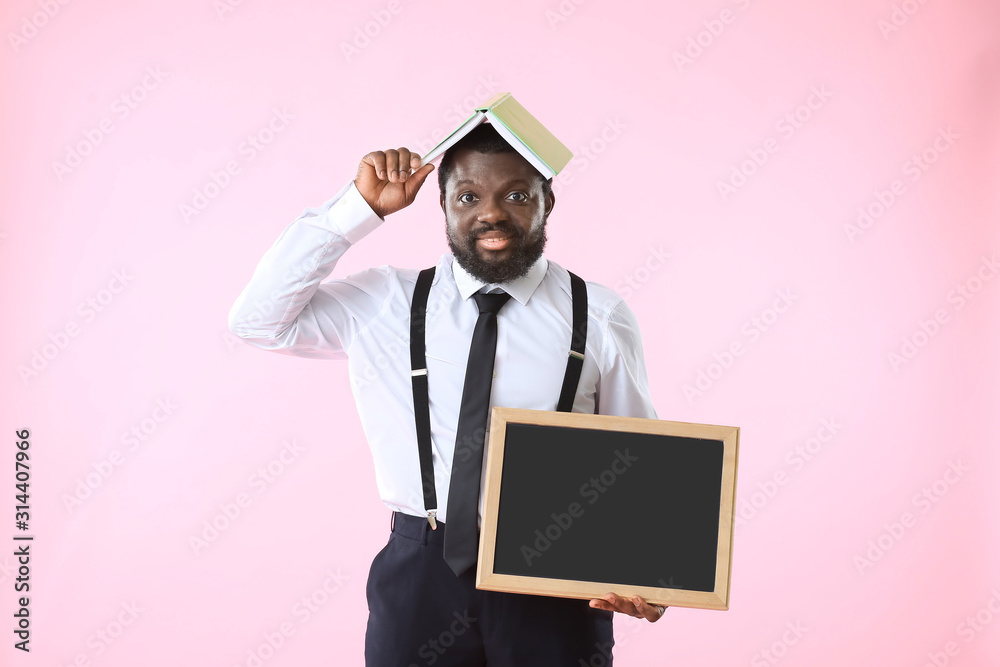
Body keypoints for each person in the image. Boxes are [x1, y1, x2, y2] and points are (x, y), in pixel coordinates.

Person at [228, 123, 665, 666]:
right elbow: (256, 322)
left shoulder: (597, 313)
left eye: (517, 194)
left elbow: (633, 455)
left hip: (553, 574)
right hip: (419, 574)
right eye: (468, 196)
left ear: (547, 201)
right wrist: (357, 209)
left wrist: (645, 569)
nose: (492, 214)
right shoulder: (385, 300)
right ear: (441, 203)